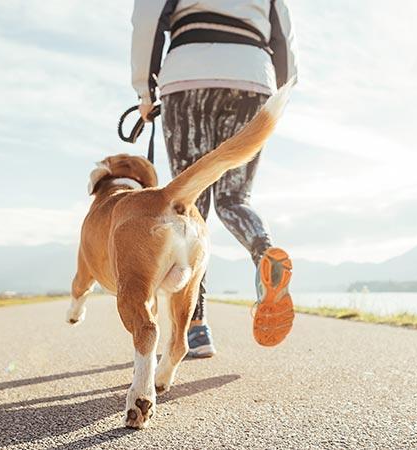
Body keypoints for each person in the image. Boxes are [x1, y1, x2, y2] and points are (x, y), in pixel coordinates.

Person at [130, 0, 298, 357]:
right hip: (253, 77)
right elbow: (285, 37)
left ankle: (196, 327)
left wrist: (145, 91)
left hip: (188, 76)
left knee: (189, 206)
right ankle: (265, 253)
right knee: (235, 199)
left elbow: (147, 19)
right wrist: (278, 96)